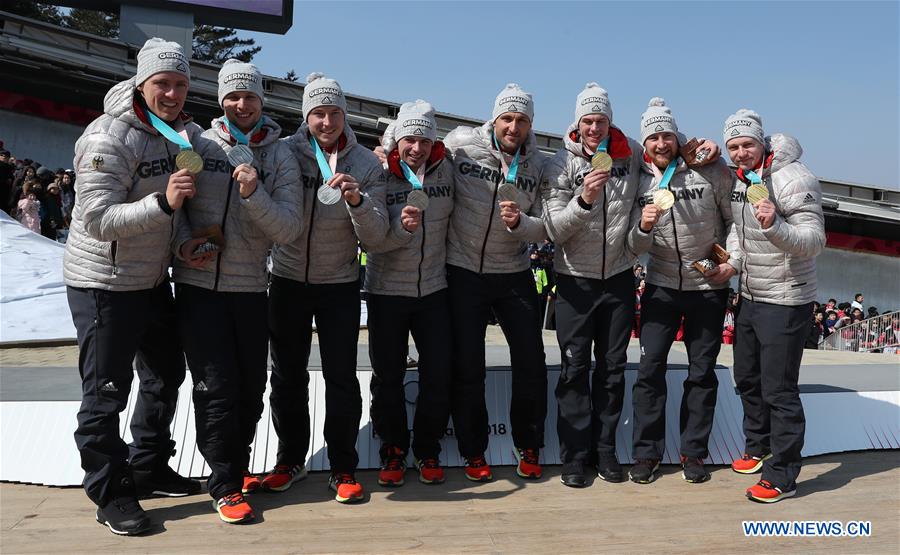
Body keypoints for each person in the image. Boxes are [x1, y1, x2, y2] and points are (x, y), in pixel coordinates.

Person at [543, 85, 720, 487]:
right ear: (577, 122)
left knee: (611, 370)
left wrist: (709, 149)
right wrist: (584, 199)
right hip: (574, 279)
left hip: (621, 279)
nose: (593, 127)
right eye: (587, 120)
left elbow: (676, 156)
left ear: (610, 122)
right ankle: (573, 457)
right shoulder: (559, 163)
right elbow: (553, 229)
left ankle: (606, 452)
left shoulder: (632, 154)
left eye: (600, 120)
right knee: (573, 369)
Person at [63, 38, 202, 536]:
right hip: (103, 282)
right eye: (162, 83)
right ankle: (111, 492)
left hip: (150, 279)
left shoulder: (176, 134)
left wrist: (184, 244)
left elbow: (179, 206)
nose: (172, 93)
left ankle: (148, 465)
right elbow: (97, 219)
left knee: (166, 374)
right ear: (141, 84)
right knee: (105, 393)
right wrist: (162, 206)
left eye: (181, 84)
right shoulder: (107, 137)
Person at [171, 59, 302, 523]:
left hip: (250, 285)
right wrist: (184, 245)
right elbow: (176, 205)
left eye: (249, 97)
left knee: (251, 385)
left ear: (262, 101)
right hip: (198, 286)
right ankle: (223, 482)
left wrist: (253, 195)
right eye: (233, 96)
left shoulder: (280, 154)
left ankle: (238, 466)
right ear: (220, 100)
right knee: (216, 386)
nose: (241, 104)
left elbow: (287, 228)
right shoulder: (197, 142)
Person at [262, 73, 387, 504]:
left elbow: (375, 238)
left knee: (341, 377)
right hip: (288, 278)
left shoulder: (367, 163)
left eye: (334, 112)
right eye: (318, 113)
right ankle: (289, 459)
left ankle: (343, 465)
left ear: (344, 115)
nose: (327, 121)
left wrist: (358, 202)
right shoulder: (285, 153)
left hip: (340, 282)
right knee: (286, 375)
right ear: (306, 116)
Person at [626, 98, 739, 485]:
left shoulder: (707, 167)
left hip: (707, 286)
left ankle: (693, 453)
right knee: (648, 372)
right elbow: (630, 244)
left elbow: (736, 220)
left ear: (677, 136)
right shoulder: (635, 177)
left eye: (667, 135)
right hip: (659, 285)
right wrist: (641, 227)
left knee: (701, 373)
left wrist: (732, 262)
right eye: (653, 137)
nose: (661, 143)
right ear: (645, 142)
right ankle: (646, 455)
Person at [443, 83, 549, 481]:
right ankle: (473, 450)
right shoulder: (461, 145)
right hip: (463, 269)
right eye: (507, 118)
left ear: (530, 124)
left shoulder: (540, 163)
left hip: (513, 271)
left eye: (522, 120)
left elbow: (546, 226)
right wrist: (386, 146)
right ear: (495, 118)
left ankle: (530, 443)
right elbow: (410, 143)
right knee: (469, 366)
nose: (514, 126)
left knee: (531, 361)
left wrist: (523, 224)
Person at [724, 109, 825, 503]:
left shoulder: (796, 178)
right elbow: (737, 227)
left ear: (763, 143)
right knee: (747, 379)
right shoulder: (741, 178)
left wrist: (774, 226)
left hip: (786, 299)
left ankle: (783, 475)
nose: (740, 152)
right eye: (733, 147)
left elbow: (815, 240)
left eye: (747, 145)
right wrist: (732, 262)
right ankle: (758, 446)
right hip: (750, 293)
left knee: (779, 390)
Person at [362, 100, 455, 487]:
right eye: (409, 140)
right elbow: (371, 239)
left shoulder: (449, 170)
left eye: (424, 140)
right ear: (397, 141)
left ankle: (429, 446)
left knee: (438, 373)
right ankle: (393, 448)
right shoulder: (380, 174)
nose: (416, 148)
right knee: (388, 375)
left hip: (434, 289)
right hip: (387, 290)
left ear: (435, 142)